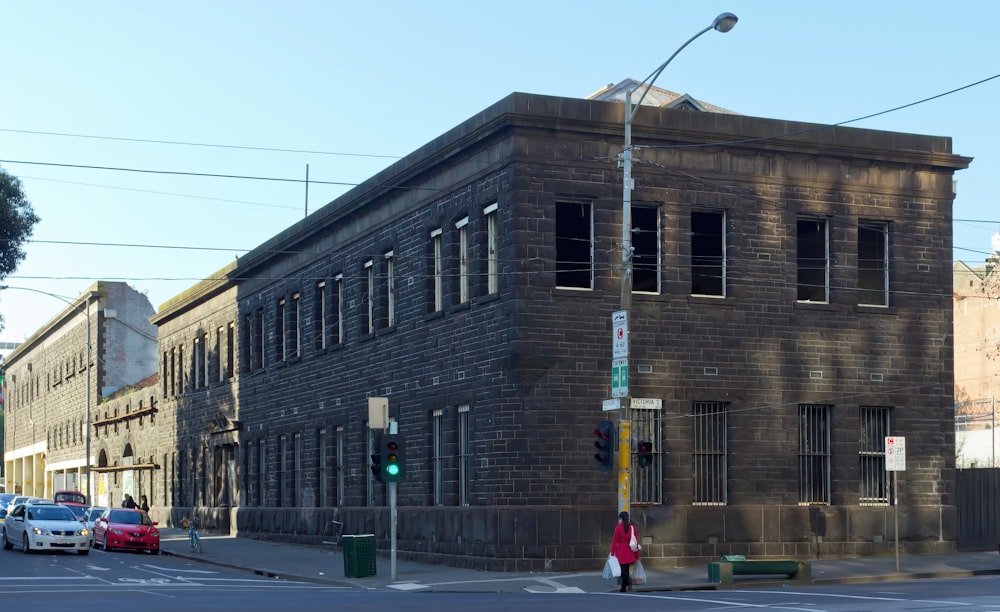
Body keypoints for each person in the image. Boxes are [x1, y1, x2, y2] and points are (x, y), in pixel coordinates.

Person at [610, 511, 640, 592]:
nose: (619, 520)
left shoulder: (618, 528)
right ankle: (625, 585)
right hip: (630, 552)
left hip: (621, 552)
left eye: (619, 519)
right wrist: (637, 555)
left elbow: (614, 541)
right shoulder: (632, 528)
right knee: (626, 570)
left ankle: (625, 585)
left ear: (622, 519)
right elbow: (636, 541)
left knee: (623, 571)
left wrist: (612, 552)